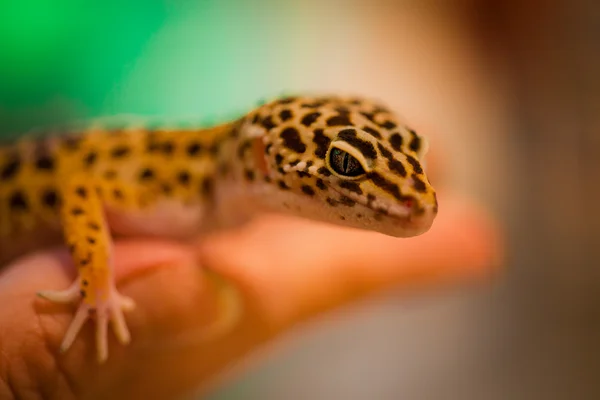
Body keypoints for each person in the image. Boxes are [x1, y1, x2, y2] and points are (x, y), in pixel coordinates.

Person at [0, 190, 500, 399]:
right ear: (263, 158)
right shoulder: (170, 190)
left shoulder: (227, 210)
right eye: (346, 168)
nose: (414, 202)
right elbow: (83, 194)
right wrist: (97, 281)